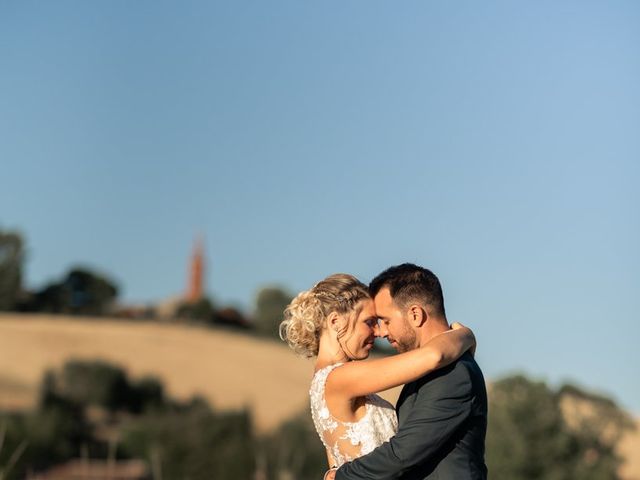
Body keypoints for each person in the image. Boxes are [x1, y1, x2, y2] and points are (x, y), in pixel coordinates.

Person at [279, 272, 476, 476]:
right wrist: (466, 335)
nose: (378, 332)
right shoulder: (341, 378)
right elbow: (433, 356)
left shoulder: (325, 381)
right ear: (336, 321)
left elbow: (336, 459)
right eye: (369, 322)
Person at [327, 264, 488, 480]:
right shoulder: (426, 371)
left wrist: (339, 477)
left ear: (415, 314)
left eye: (385, 320)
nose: (381, 332)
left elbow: (403, 454)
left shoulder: (454, 375)